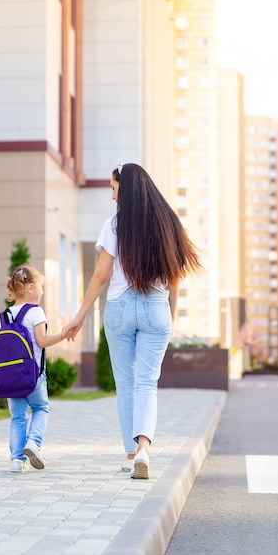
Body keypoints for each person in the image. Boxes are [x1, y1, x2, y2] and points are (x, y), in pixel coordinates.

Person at [62, 163, 201, 480]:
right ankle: (143, 450)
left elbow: (100, 276)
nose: (112, 197)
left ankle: (130, 454)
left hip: (120, 308)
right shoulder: (168, 225)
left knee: (125, 385)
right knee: (147, 383)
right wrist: (171, 316)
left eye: (113, 189)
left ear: (125, 189)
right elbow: (175, 279)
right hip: (156, 305)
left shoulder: (114, 225)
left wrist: (79, 317)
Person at [0, 264, 66, 473]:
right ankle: (33, 443)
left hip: (10, 376)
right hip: (33, 374)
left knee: (18, 417)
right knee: (41, 408)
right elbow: (42, 341)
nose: (43, 291)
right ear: (29, 288)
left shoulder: (4, 315)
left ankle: (17, 461)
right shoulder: (36, 312)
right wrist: (63, 335)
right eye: (41, 286)